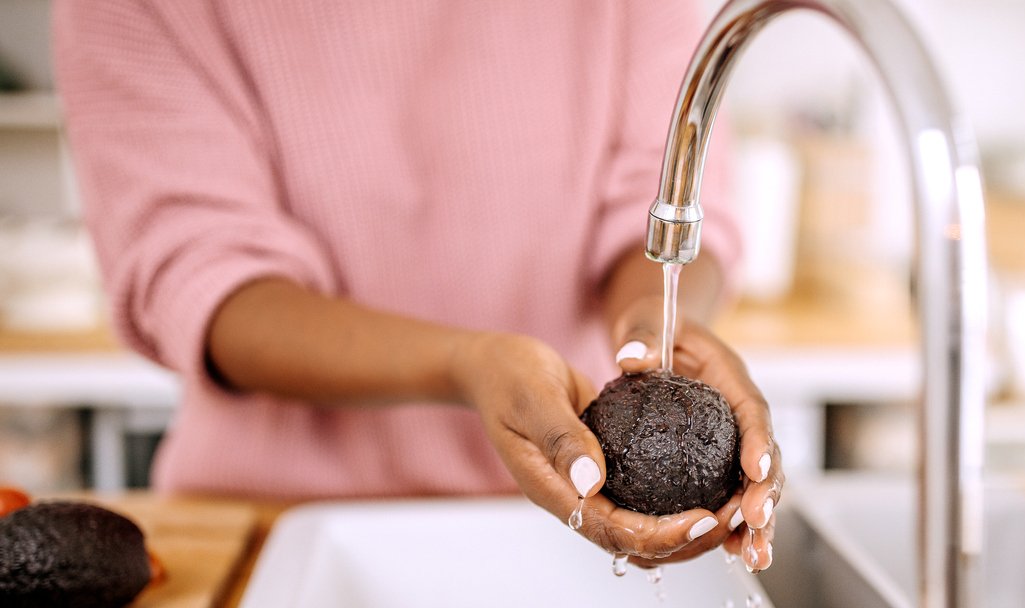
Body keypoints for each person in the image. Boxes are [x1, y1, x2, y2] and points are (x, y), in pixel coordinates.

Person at [53, 1, 782, 569]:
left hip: (563, 514)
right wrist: (467, 365)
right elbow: (202, 276)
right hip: (274, 523)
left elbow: (662, 201)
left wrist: (653, 328)